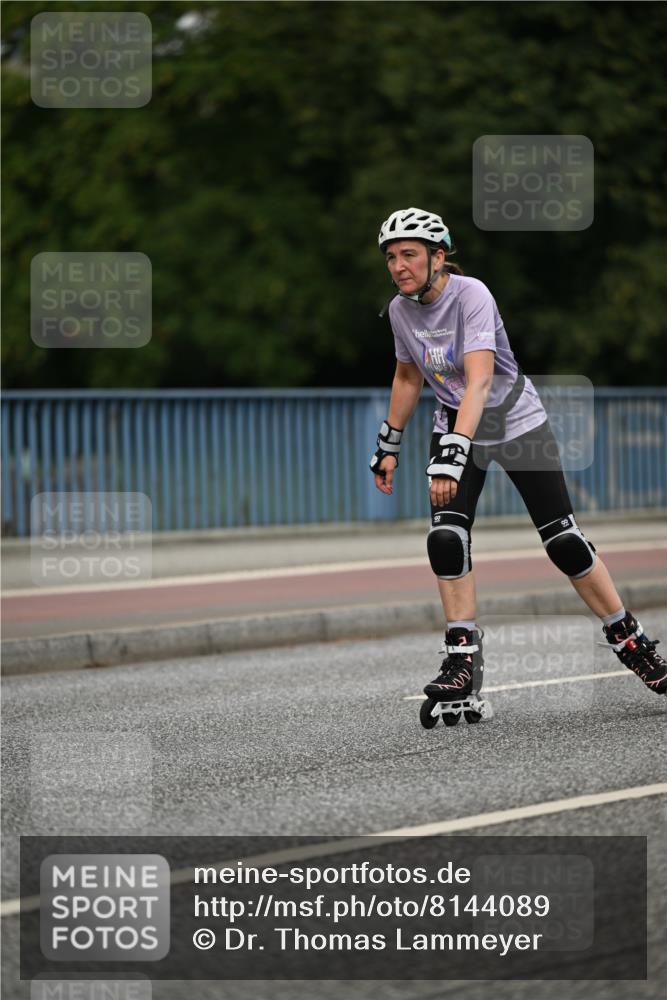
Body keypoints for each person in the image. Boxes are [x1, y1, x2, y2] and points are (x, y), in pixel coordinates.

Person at [370, 207, 667, 720]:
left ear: (439, 257)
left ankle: (630, 639)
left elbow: (479, 380)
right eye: (392, 257)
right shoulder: (400, 310)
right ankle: (461, 657)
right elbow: (408, 378)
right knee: (446, 538)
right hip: (455, 425)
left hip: (515, 422)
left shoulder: (473, 296)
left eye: (409, 254)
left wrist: (452, 453)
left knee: (565, 543)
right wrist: (389, 445)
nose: (399, 266)